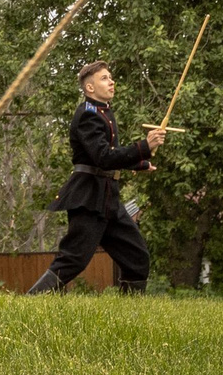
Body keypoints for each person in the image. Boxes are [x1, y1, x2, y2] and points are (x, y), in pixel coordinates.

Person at [26, 61, 164, 294]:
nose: (111, 81)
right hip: (89, 198)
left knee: (136, 257)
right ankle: (31, 302)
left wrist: (140, 162)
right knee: (74, 259)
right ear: (90, 88)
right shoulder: (88, 115)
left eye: (111, 77)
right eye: (104, 78)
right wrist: (143, 146)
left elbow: (108, 157)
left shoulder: (105, 113)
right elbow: (103, 157)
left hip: (108, 199)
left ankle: (131, 314)